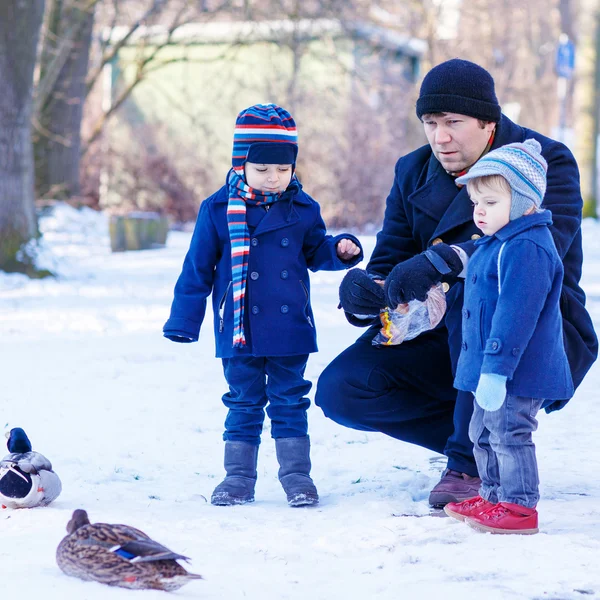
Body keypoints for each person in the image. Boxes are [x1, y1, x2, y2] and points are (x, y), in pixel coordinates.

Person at [316, 59, 598, 508]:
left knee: (475, 289)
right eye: (430, 122)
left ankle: (467, 462)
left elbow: (537, 252)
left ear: (489, 122)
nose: (440, 137)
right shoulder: (413, 170)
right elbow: (389, 259)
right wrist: (366, 291)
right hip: (439, 332)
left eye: (453, 122)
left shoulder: (545, 161)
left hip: (530, 332)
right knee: (342, 389)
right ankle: (496, 440)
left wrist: (443, 260)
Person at [163, 103, 363, 507]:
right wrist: (184, 320)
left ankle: (297, 478)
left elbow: (314, 250)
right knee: (243, 401)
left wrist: (339, 251)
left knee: (291, 401)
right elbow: (197, 269)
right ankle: (237, 478)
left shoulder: (303, 208)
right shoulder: (217, 209)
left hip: (290, 329)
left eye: (283, 169)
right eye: (263, 169)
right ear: (241, 165)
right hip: (239, 327)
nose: (274, 177)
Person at [439, 139, 572, 534]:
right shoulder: (497, 243)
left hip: (516, 370)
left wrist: (496, 370)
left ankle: (518, 506)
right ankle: (494, 495)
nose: (479, 211)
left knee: (509, 433)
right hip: (489, 368)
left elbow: (515, 316)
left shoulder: (527, 247)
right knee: (481, 432)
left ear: (524, 204)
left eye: (491, 203)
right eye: (476, 203)